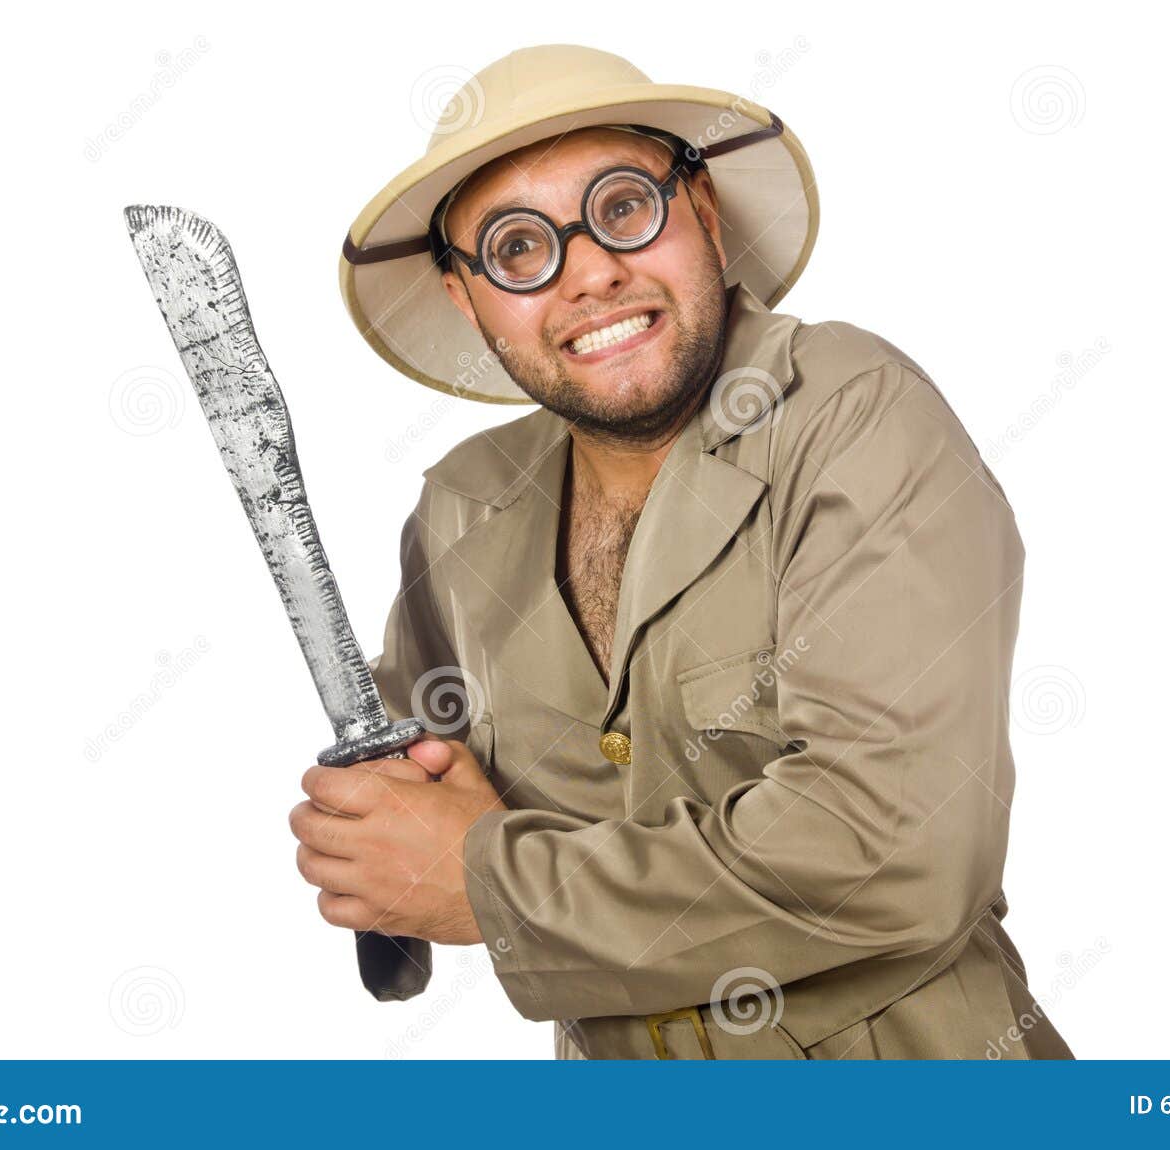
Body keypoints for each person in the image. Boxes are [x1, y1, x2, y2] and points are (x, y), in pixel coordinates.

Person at [288, 43, 1074, 1060]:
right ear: (465, 297)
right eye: (518, 249)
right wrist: (370, 835)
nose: (590, 274)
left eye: (622, 209)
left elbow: (896, 848)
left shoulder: (852, 413)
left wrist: (487, 882)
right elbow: (420, 806)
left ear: (700, 209)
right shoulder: (462, 509)